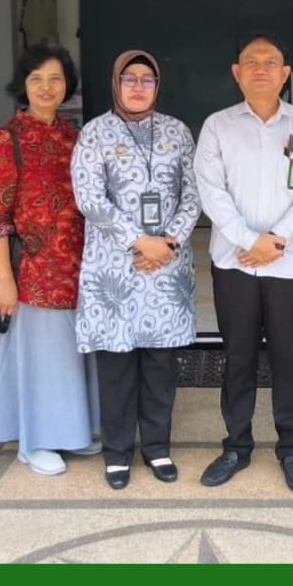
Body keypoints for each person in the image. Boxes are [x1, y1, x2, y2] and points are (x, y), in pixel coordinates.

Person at [194, 32, 293, 494]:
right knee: (238, 358)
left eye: (270, 62)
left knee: (290, 359)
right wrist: (249, 241)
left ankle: (291, 448)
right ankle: (236, 445)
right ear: (236, 73)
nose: (260, 69)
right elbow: (211, 190)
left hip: (289, 265)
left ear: (285, 73)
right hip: (234, 264)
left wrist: (276, 240)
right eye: (250, 62)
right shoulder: (217, 126)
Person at [73, 50, 200, 490]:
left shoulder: (178, 132)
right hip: (116, 269)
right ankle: (117, 452)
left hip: (166, 267)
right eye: (130, 78)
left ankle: (158, 447)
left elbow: (193, 195)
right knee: (116, 366)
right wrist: (139, 241)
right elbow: (90, 198)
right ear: (116, 83)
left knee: (161, 365)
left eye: (148, 79)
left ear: (158, 85)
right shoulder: (95, 133)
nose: (139, 86)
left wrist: (169, 241)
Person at [0, 43, 100, 477]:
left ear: (67, 85)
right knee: (41, 360)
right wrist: (4, 280)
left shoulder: (75, 137)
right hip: (33, 272)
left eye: (55, 79)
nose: (46, 87)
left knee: (71, 356)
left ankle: (72, 433)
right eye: (36, 79)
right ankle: (35, 442)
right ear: (23, 86)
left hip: (79, 269)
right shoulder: (7, 139)